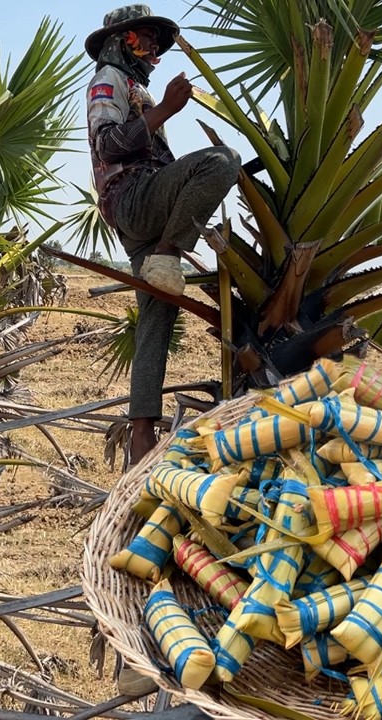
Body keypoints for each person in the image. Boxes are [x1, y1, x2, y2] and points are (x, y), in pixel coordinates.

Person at [85, 5, 242, 463]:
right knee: (221, 161)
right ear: (121, 41)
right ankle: (168, 251)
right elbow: (107, 144)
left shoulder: (132, 87)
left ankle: (141, 438)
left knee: (158, 312)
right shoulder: (108, 79)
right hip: (132, 198)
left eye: (155, 42)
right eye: (144, 40)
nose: (152, 50)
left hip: (140, 205)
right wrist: (169, 110)